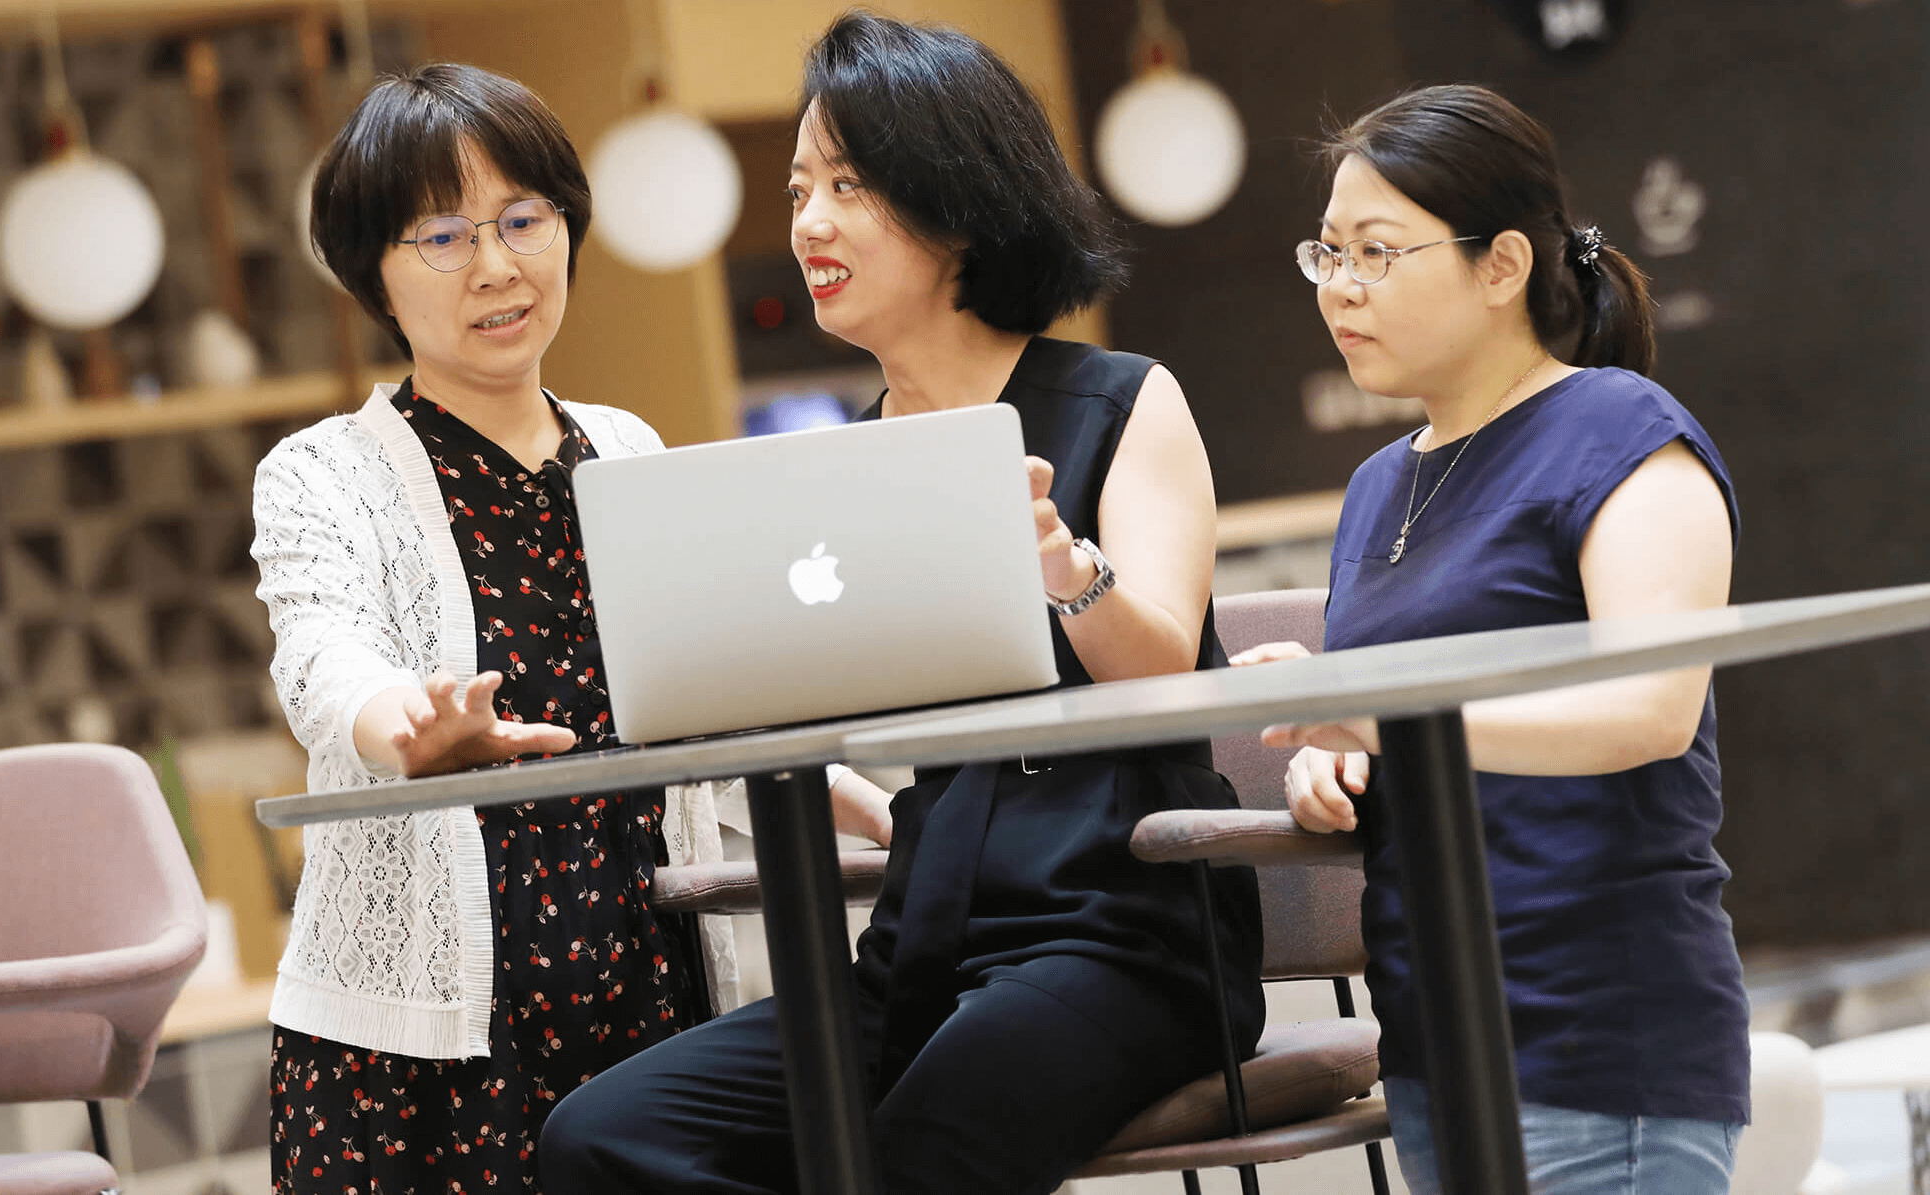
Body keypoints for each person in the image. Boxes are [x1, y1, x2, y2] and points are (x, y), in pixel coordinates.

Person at [538, 13, 1264, 1195]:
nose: (806, 223)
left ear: (955, 200)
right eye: (798, 190)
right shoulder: (848, 460)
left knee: (911, 1148)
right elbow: (826, 722)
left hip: (1126, 934)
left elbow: (1164, 674)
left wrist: (1062, 563)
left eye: (848, 186)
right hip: (924, 941)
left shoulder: (1122, 399)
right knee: (602, 1134)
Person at [250, 63, 892, 1195]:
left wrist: (869, 805)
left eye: (522, 220)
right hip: (423, 1040)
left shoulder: (628, 448)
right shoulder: (320, 473)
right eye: (442, 237)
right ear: (372, 272)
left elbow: (705, 699)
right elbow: (321, 654)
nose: (496, 267)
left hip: (646, 992)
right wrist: (411, 730)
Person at [1247, 83, 1747, 1193]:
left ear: (1501, 265)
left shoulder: (1622, 431)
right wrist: (1334, 756)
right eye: (1327, 252)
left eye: (1377, 252)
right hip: (1435, 1040)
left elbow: (1651, 712)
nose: (1339, 286)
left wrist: (1375, 718)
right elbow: (1403, 730)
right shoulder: (1379, 484)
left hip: (1597, 1035)